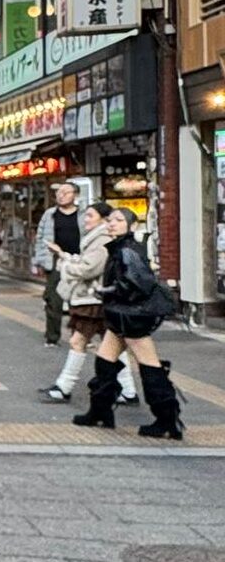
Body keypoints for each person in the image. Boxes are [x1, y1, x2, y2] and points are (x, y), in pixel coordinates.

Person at [73, 206, 185, 438]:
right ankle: (100, 411)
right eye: (110, 220)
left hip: (132, 318)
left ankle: (167, 419)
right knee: (105, 361)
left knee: (149, 365)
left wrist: (108, 291)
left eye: (119, 220)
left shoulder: (128, 250)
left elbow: (138, 283)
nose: (112, 223)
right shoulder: (121, 248)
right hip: (122, 316)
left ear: (131, 225)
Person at [38, 200, 136, 407]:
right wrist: (65, 256)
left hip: (92, 300)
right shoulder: (98, 239)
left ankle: (64, 387)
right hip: (96, 300)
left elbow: (89, 268)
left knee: (80, 342)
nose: (85, 219)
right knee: (114, 345)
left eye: (90, 215)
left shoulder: (101, 240)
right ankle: (128, 391)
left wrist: (65, 265)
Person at [33, 182, 82, 345]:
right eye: (59, 193)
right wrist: (39, 260)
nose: (61, 195)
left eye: (65, 192)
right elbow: (40, 238)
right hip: (56, 261)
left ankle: (80, 335)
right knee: (54, 299)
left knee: (79, 300)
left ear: (75, 195)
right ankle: (52, 336)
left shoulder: (83, 214)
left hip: (78, 261)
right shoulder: (49, 214)